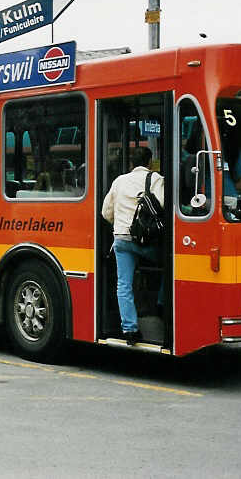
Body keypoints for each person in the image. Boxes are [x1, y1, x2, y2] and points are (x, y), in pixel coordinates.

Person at [101, 147, 164, 345]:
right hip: (147, 241)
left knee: (123, 284)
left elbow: (106, 212)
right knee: (171, 267)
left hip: (121, 239)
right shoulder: (156, 179)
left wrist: (119, 225)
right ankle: (161, 304)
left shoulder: (119, 181)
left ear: (131, 164)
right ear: (150, 162)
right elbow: (163, 206)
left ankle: (129, 329)